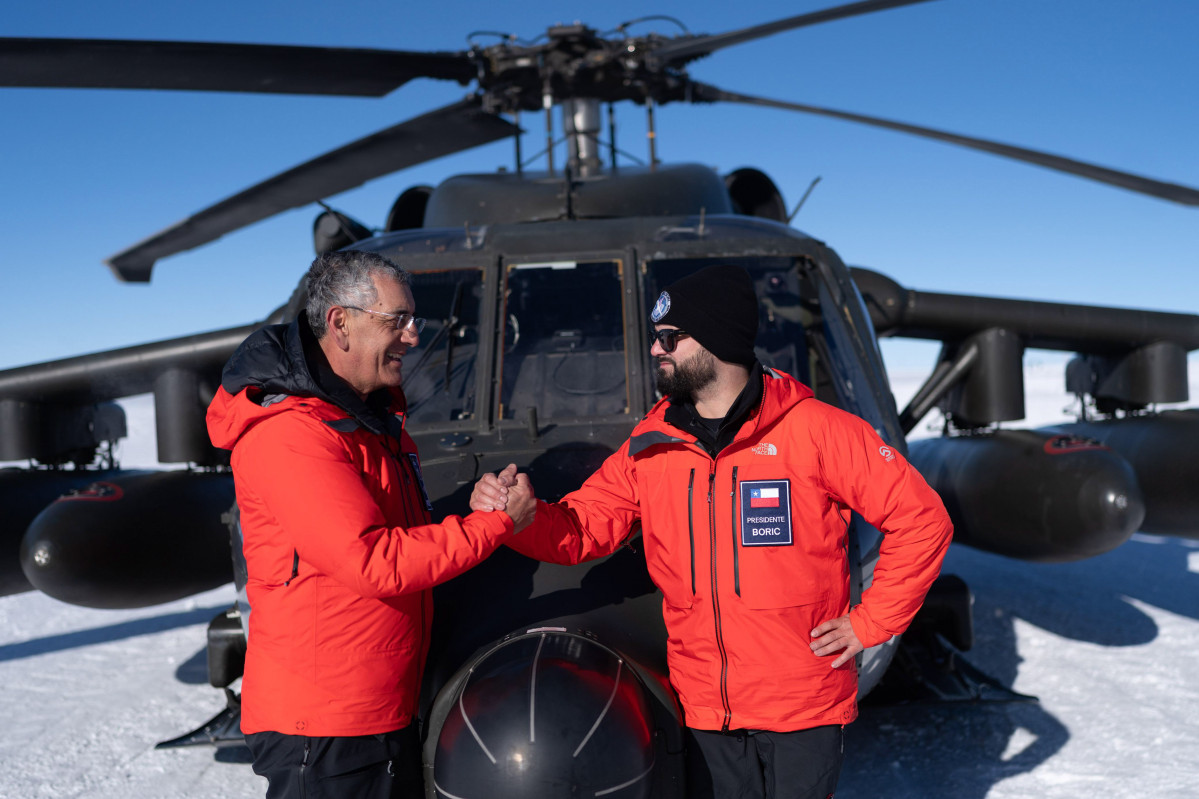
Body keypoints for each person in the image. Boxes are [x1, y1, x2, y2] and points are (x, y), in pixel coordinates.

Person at [472, 264, 952, 799]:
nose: (656, 350)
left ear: (720, 341)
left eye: (670, 338)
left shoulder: (817, 431)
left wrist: (872, 622)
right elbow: (584, 528)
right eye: (657, 339)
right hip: (706, 706)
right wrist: (521, 514)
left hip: (802, 705)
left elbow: (922, 520)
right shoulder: (652, 444)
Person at [206, 250, 535, 799]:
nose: (412, 337)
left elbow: (406, 534)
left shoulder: (369, 422)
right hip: (327, 724)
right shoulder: (293, 435)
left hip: (376, 708)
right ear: (341, 323)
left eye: (413, 321)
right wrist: (492, 527)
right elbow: (372, 560)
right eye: (397, 321)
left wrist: (474, 509)